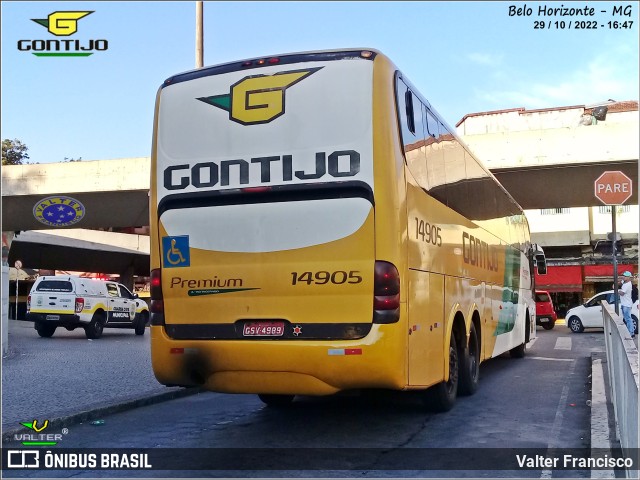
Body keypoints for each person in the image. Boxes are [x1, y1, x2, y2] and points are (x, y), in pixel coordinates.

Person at [618, 271, 635, 338]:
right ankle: (630, 332)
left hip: (627, 305)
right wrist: (618, 282)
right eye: (623, 276)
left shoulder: (627, 285)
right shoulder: (625, 282)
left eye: (625, 276)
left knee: (628, 318)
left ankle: (631, 333)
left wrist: (617, 290)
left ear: (628, 277)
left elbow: (622, 293)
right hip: (624, 303)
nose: (623, 277)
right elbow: (620, 283)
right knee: (626, 318)